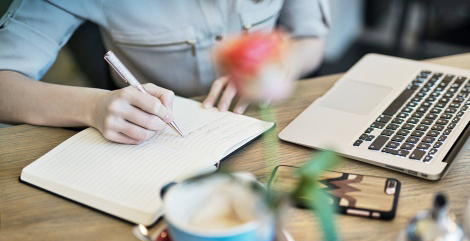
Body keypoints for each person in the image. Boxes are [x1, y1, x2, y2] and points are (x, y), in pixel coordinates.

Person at [0, 0, 330, 144]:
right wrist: (93, 107)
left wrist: (281, 67)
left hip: (265, 124)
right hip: (150, 138)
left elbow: (311, 38)